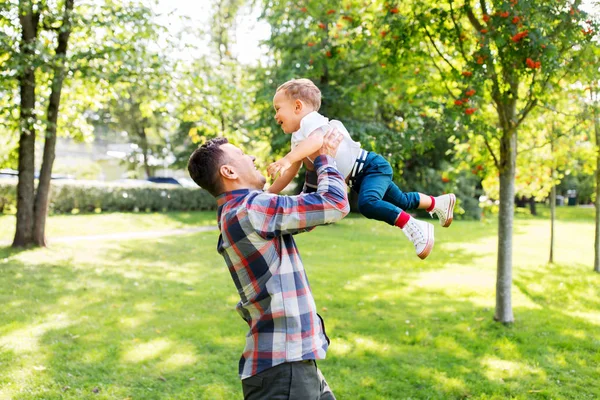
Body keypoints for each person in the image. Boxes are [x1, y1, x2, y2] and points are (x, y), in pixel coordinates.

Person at [187, 130, 348, 400]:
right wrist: (325, 160)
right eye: (241, 155)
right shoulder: (252, 209)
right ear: (228, 171)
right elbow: (334, 204)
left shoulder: (239, 210)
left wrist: (309, 166)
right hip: (284, 370)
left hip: (289, 364)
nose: (250, 156)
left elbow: (306, 213)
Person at [268, 78, 456, 260]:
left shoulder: (310, 121)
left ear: (298, 106)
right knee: (402, 200)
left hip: (369, 167)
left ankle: (415, 226)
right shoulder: (298, 139)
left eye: (278, 109)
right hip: (361, 176)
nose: (275, 116)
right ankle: (438, 203)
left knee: (368, 203)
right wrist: (266, 194)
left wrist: (286, 159)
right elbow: (290, 173)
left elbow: (317, 141)